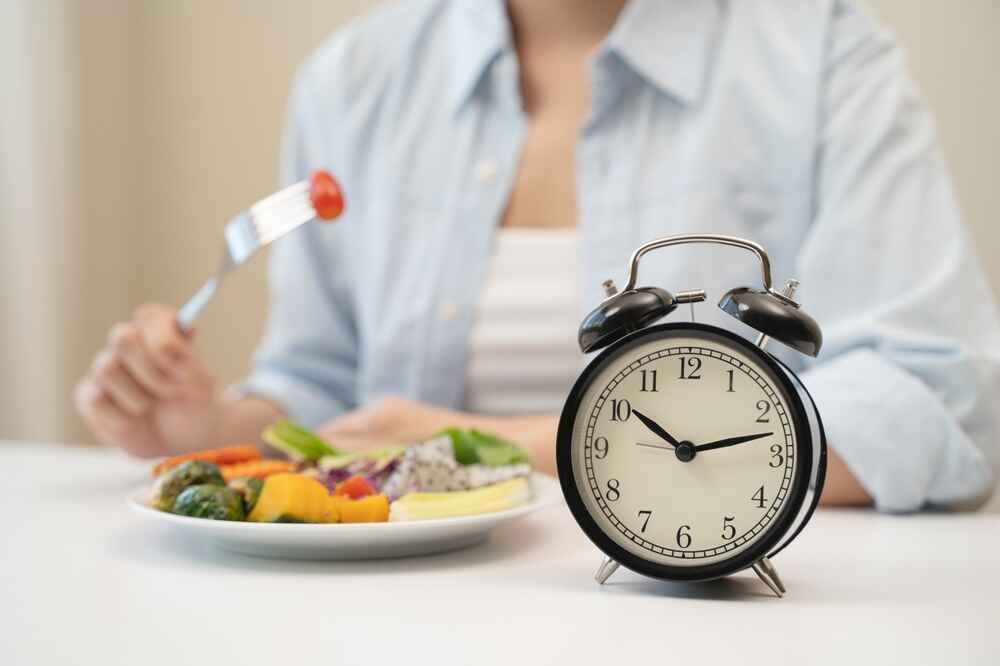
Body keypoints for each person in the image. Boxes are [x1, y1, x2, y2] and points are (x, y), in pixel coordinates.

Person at [74, 0, 1000, 512]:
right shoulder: (352, 81)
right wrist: (217, 424)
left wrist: (501, 447)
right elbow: (329, 393)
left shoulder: (825, 55)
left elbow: (929, 404)